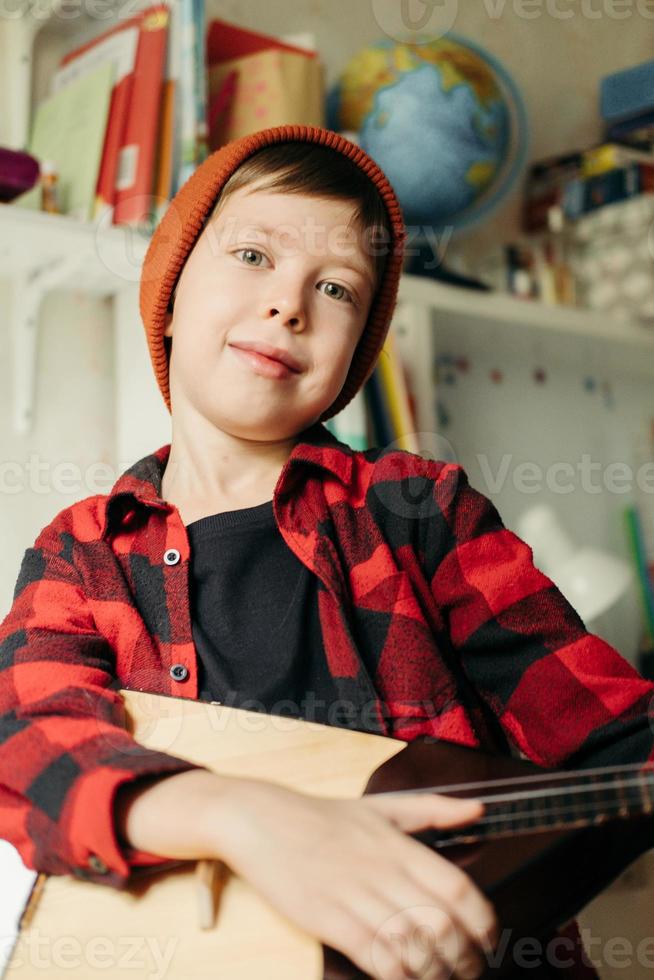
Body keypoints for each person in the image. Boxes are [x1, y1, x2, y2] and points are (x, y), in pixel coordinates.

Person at [1, 125, 652, 980]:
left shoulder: (425, 512)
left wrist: (479, 911)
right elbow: (28, 739)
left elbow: (621, 743)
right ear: (170, 280)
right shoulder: (80, 552)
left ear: (356, 349)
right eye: (252, 255)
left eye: (336, 286)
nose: (288, 304)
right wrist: (243, 817)